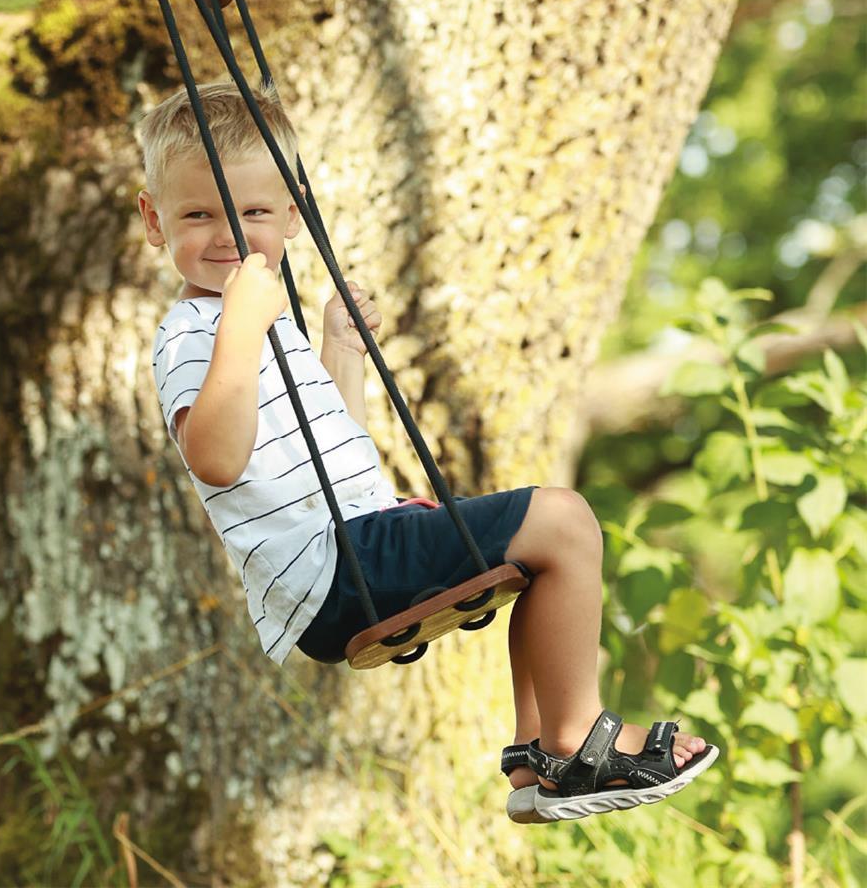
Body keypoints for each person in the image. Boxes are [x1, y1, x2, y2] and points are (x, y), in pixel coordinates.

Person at [136, 79, 719, 822]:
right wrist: (242, 327)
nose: (228, 236)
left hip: (348, 545)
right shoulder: (195, 333)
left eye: (252, 213)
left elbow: (328, 455)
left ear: (292, 214)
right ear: (154, 221)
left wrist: (339, 351)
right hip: (333, 570)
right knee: (563, 521)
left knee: (540, 559)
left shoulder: (257, 322)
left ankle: (537, 757)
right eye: (199, 215)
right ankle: (578, 740)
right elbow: (215, 458)